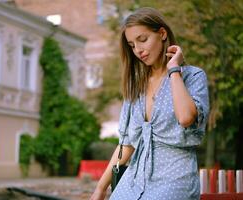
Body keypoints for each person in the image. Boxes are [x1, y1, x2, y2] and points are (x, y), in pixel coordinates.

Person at [90, 7, 209, 200]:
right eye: (131, 45)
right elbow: (127, 143)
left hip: (175, 177)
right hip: (134, 179)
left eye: (142, 40)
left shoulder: (193, 76)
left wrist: (174, 70)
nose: (138, 50)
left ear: (162, 34)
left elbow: (186, 117)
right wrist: (101, 188)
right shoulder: (136, 84)